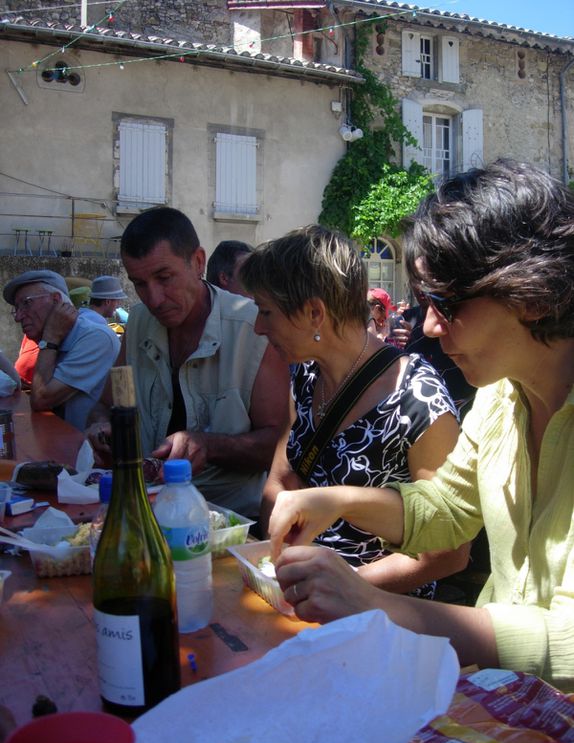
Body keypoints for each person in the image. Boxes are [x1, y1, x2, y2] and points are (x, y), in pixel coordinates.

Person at [267, 159, 574, 692]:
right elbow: (449, 509)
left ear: (535, 296)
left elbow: (566, 638)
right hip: (500, 701)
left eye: (447, 303)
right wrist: (337, 500)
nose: (429, 324)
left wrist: (373, 604)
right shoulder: (501, 395)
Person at [240, 225, 469, 597]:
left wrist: (341, 587)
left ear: (315, 312)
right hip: (299, 599)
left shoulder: (416, 397)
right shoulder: (305, 373)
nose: (257, 327)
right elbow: (281, 481)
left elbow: (447, 553)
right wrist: (281, 560)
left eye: (266, 311)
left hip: (378, 616)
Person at [87, 208, 289, 519]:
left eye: (164, 278)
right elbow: (105, 404)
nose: (153, 298)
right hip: (146, 511)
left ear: (198, 262)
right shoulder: (138, 321)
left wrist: (207, 445)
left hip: (228, 525)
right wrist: (100, 427)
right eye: (139, 283)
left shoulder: (253, 328)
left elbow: (278, 446)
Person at [3, 269, 121, 430]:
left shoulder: (95, 337)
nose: (18, 317)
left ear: (56, 301)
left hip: (93, 451)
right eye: (17, 308)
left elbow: (41, 399)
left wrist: (50, 338)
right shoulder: (61, 338)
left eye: (27, 303)